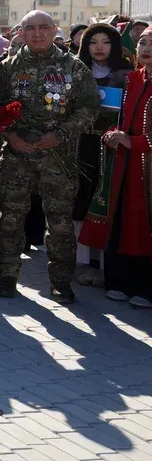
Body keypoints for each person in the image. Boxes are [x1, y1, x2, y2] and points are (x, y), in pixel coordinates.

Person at [0, 10, 99, 303]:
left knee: (60, 224)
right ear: (21, 33)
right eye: (30, 28)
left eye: (43, 27)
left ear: (54, 31)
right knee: (11, 220)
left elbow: (89, 107)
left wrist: (61, 134)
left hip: (57, 159)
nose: (37, 33)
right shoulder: (7, 68)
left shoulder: (73, 68)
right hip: (17, 157)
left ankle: (61, 282)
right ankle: (7, 276)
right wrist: (11, 136)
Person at [95, 30, 152, 305]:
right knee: (122, 217)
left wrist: (135, 142)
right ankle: (120, 281)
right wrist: (113, 133)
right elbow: (118, 117)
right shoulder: (131, 79)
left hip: (147, 166)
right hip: (125, 164)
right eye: (142, 42)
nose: (146, 48)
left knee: (144, 221)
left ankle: (146, 287)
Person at [74, 22, 132, 286]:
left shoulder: (127, 74)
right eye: (93, 41)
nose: (99, 47)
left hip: (114, 147)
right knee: (82, 198)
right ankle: (83, 262)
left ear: (115, 45)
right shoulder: (76, 70)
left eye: (105, 42)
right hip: (81, 145)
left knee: (110, 200)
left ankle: (107, 265)